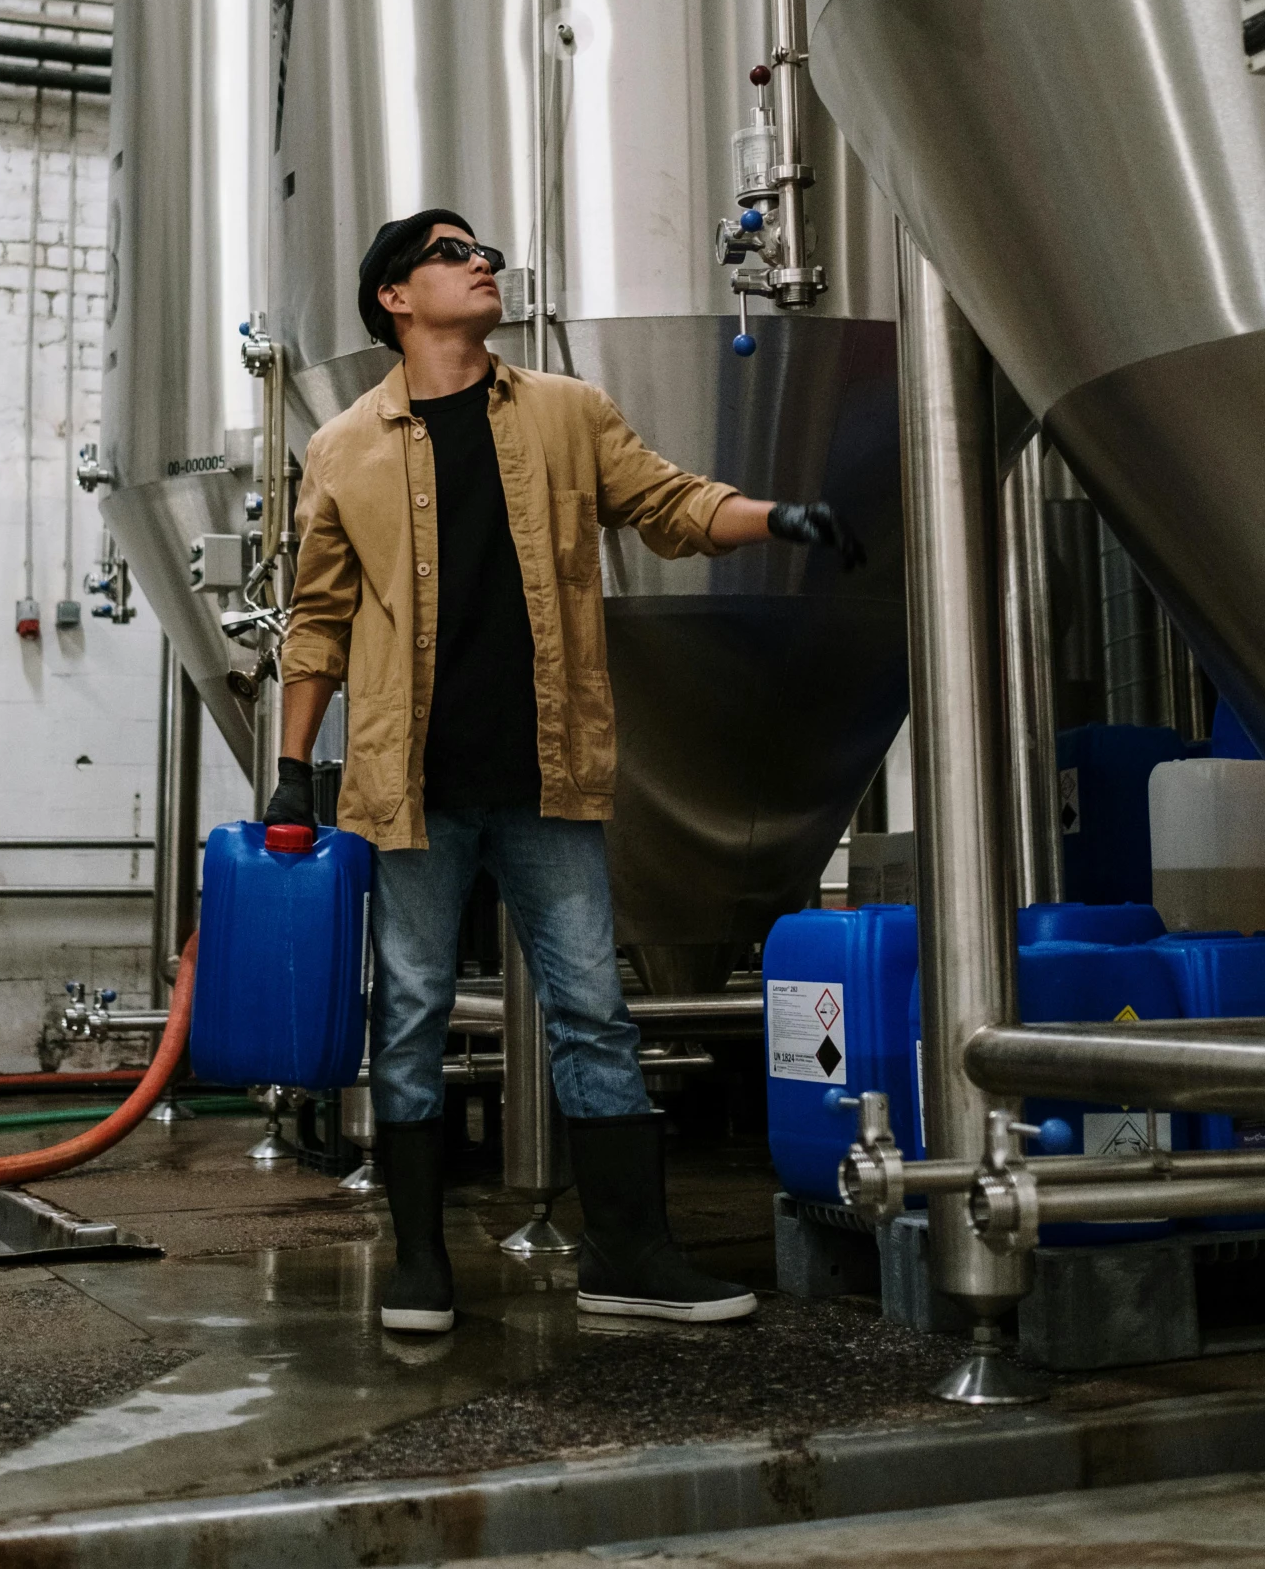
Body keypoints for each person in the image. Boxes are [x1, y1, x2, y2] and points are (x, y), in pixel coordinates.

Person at [265, 210, 864, 1333]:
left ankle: (630, 1252)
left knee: (594, 1010)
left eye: (481, 248)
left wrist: (774, 515)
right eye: (449, 252)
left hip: (549, 776)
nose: (479, 260)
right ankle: (419, 1261)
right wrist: (292, 771)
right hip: (413, 790)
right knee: (409, 1017)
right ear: (394, 296)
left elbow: (671, 504)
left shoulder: (564, 410)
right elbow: (317, 620)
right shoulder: (341, 446)